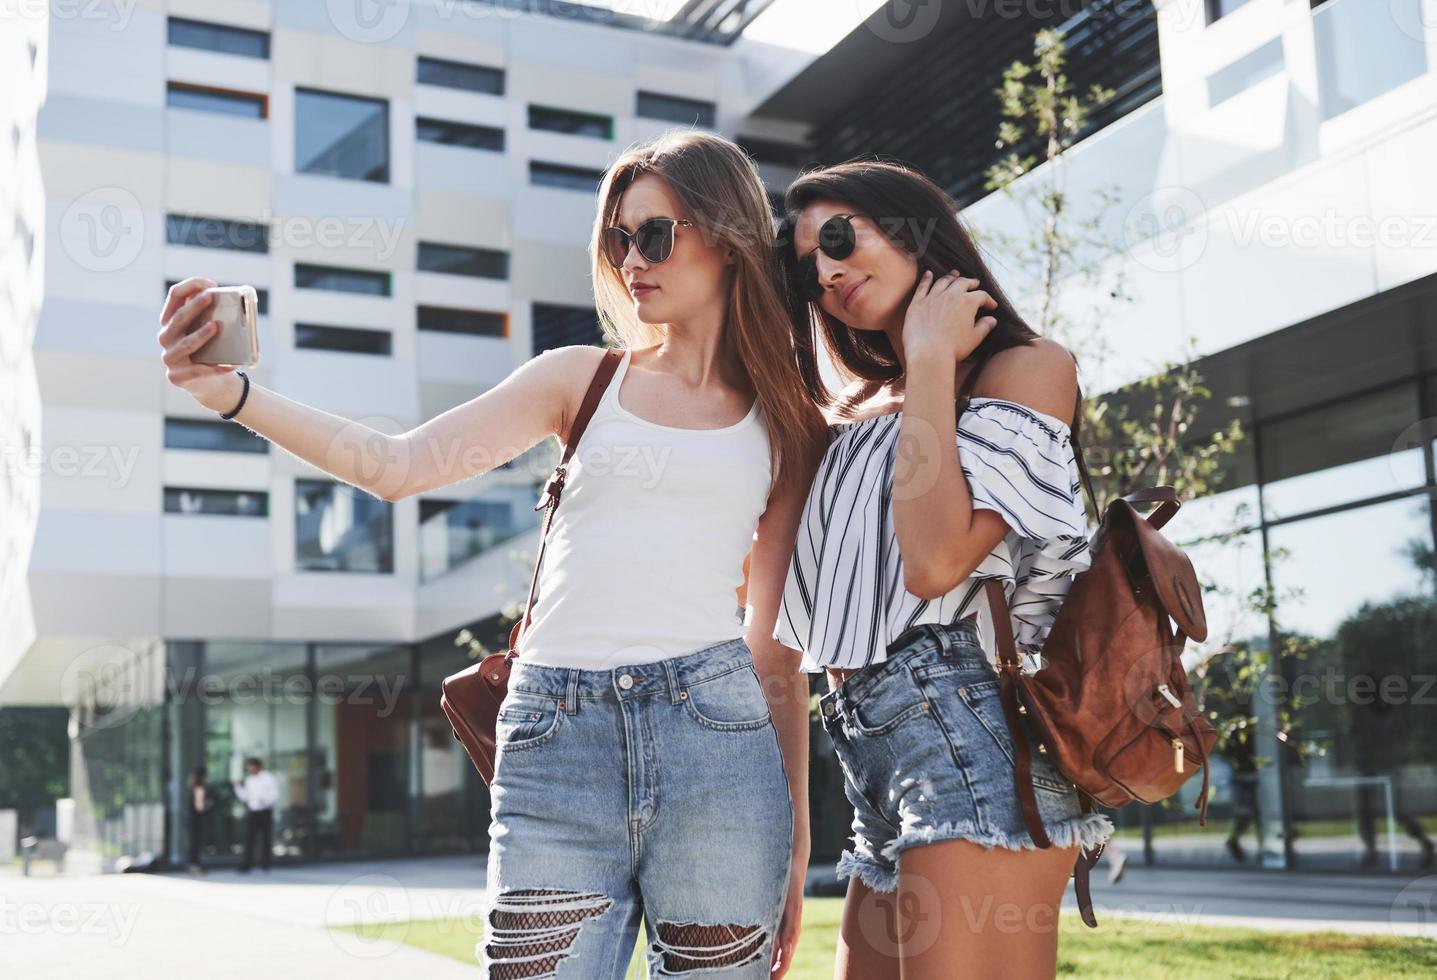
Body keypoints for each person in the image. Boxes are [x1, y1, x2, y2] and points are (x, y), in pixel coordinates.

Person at [157, 130, 827, 977]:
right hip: (556, 742)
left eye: (653, 234)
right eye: (617, 240)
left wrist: (797, 837)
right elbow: (396, 466)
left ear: (726, 235)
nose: (631, 260)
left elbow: (777, 642)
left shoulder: (786, 422)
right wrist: (234, 396)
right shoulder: (579, 380)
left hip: (718, 746)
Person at [773, 160, 1112, 979]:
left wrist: (927, 359)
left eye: (840, 238)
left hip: (973, 726)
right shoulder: (845, 423)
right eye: (805, 266)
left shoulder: (1025, 369)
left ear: (912, 227)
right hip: (866, 756)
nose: (824, 270)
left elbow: (934, 562)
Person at [233, 757, 278, 873]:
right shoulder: (249, 780)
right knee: (249, 839)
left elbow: (274, 795)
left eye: (251, 766)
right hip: (253, 812)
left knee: (265, 838)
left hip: (265, 811)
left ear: (257, 766)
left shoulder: (268, 777)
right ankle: (247, 864)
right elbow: (245, 797)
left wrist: (264, 801)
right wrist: (237, 787)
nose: (249, 769)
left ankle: (265, 864)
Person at [187, 765, 211, 875]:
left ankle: (193, 865)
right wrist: (209, 804)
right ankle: (195, 866)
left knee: (193, 843)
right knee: (195, 844)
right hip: (197, 820)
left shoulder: (192, 786)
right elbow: (200, 807)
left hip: (192, 819)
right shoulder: (199, 788)